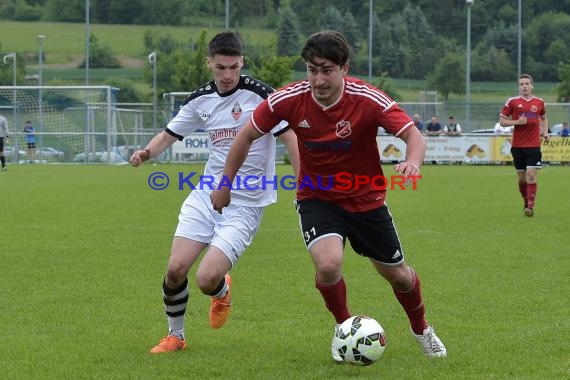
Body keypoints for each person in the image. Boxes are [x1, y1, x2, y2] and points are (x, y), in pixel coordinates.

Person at [211, 30, 447, 360]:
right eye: (311, 70)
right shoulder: (287, 99)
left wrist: (412, 161)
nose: (318, 79)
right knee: (328, 264)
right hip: (317, 197)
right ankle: (345, 330)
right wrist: (224, 183)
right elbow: (247, 135)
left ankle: (421, 328)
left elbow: (412, 134)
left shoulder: (368, 99)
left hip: (366, 200)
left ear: (344, 69)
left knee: (398, 275)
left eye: (326, 70)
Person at [129, 32, 299, 354]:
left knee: (207, 278)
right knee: (176, 269)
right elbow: (170, 133)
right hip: (206, 194)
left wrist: (302, 183)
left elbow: (290, 137)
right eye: (220, 67)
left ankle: (221, 290)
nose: (227, 75)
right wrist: (146, 153)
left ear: (242, 63)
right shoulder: (200, 100)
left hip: (246, 202)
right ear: (209, 63)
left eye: (233, 67)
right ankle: (175, 336)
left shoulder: (262, 96)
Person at [499, 73, 549, 217]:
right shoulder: (512, 102)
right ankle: (526, 202)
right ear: (519, 87)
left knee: (531, 175)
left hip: (534, 145)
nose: (524, 86)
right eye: (522, 84)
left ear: (532, 86)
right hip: (518, 146)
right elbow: (502, 121)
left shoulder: (539, 102)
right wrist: (516, 122)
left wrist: (545, 132)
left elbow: (544, 118)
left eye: (527, 84)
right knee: (522, 179)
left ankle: (530, 207)